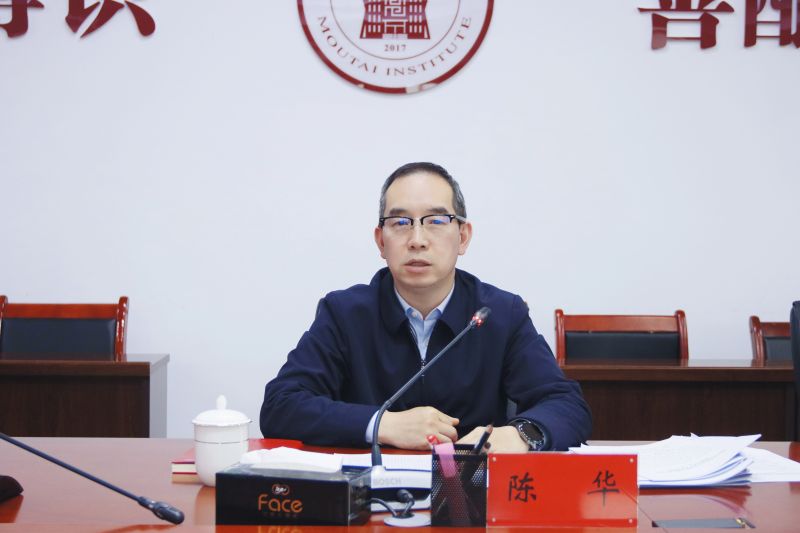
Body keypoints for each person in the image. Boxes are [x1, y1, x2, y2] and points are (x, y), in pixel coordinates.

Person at [260, 162, 591, 452]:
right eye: (400, 222)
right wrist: (382, 424)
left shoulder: (501, 314)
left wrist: (520, 435)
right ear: (381, 241)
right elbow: (281, 405)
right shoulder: (345, 313)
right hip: (372, 492)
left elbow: (567, 405)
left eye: (436, 220)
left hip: (471, 493)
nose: (417, 239)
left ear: (463, 237)